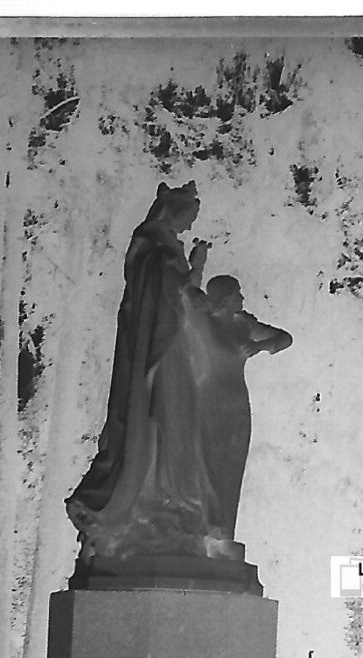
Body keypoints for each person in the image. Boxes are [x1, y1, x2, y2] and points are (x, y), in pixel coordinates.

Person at [68, 181, 292, 564]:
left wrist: (252, 341)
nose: (188, 228)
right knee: (162, 421)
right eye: (188, 218)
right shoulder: (151, 243)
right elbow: (176, 296)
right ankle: (157, 507)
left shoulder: (168, 250)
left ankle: (178, 509)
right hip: (162, 345)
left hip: (180, 353)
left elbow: (190, 298)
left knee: (180, 430)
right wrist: (196, 270)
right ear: (174, 210)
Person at [196, 274, 293, 555]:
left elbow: (284, 338)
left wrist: (260, 346)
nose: (242, 298)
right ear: (226, 297)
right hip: (207, 401)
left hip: (236, 401)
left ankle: (224, 532)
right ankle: (202, 527)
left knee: (231, 465)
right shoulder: (204, 323)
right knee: (206, 462)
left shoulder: (243, 324)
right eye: (238, 293)